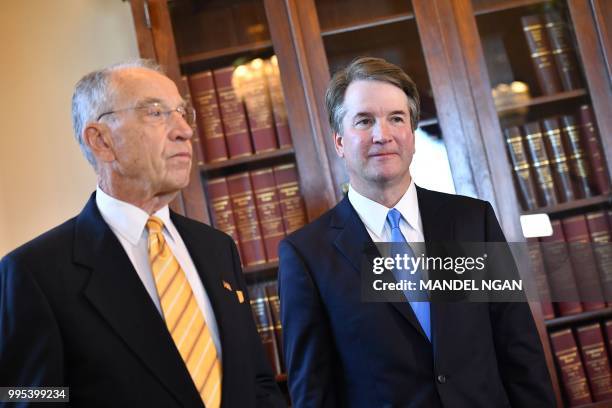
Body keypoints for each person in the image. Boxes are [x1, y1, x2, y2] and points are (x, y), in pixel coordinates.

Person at [0, 60, 285, 408]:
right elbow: (26, 398)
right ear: (102, 141)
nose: (184, 130)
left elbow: (258, 381)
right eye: (155, 113)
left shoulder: (217, 248)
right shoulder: (34, 273)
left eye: (182, 113)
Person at [278, 57, 555, 407]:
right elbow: (313, 393)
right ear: (339, 141)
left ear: (412, 133)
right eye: (364, 121)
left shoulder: (472, 221)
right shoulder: (306, 256)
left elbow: (520, 351)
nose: (383, 135)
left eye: (396, 118)